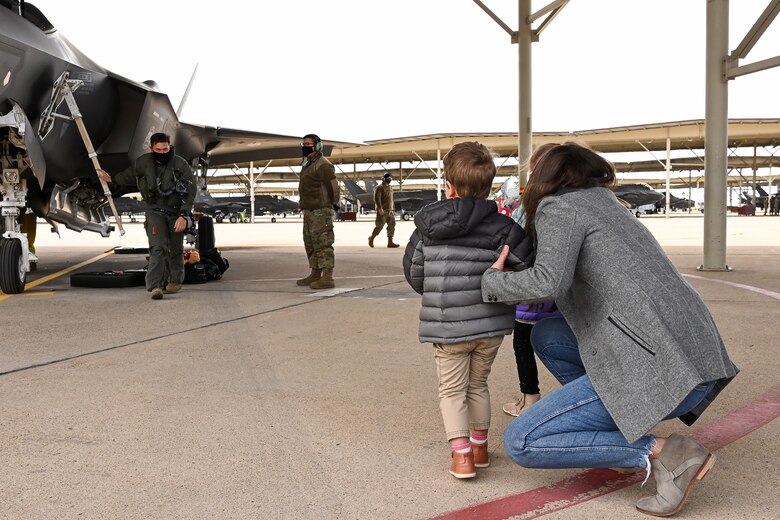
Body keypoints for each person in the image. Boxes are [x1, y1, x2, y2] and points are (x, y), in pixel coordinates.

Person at [482, 142, 738, 516]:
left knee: (522, 440)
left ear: (545, 177)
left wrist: (493, 281)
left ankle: (664, 452)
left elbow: (548, 282)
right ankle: (614, 433)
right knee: (547, 335)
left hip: (661, 370)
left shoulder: (559, 207)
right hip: (692, 359)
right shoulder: (607, 203)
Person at [403, 141, 533, 480]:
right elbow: (528, 270)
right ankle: (480, 449)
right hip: (490, 328)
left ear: (449, 186)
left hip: (447, 326)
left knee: (451, 391)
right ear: (488, 186)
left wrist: (440, 290)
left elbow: (415, 273)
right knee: (478, 385)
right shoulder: (505, 228)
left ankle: (462, 457)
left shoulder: (428, 227)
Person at [97, 133, 195, 300]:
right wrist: (111, 179)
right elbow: (126, 176)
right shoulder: (143, 163)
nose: (162, 152)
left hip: (176, 212)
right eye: (158, 150)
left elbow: (191, 191)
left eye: (165, 149)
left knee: (176, 248)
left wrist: (184, 216)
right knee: (157, 248)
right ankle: (155, 286)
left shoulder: (180, 164)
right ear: (151, 148)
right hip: (155, 211)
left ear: (169, 147)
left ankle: (174, 281)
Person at [295, 133, 340, 290]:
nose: (305, 147)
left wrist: (332, 205)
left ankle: (327, 277)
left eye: (308, 144)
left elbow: (333, 187)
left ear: (318, 146)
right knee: (310, 244)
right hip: (309, 211)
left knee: (323, 244)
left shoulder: (324, 165)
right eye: (303, 144)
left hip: (320, 211)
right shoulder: (307, 164)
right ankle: (315, 273)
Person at [368, 172, 399, 248]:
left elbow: (391, 199)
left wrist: (393, 209)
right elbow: (377, 198)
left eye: (390, 178)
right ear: (384, 179)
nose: (390, 179)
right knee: (379, 226)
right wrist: (380, 208)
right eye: (388, 178)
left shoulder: (390, 187)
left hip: (390, 211)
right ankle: (371, 238)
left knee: (392, 225)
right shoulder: (379, 187)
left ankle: (390, 242)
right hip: (383, 210)